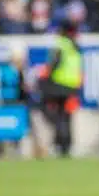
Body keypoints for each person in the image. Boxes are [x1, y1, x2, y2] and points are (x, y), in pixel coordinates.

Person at [40, 22, 83, 157]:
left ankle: (59, 145)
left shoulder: (60, 44)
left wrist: (45, 80)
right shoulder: (75, 47)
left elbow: (53, 63)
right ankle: (67, 145)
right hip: (71, 86)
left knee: (58, 116)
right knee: (67, 117)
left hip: (58, 85)